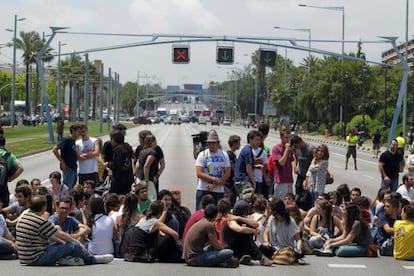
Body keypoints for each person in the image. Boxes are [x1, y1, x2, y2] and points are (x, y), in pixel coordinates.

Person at [16, 195, 113, 266]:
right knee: (73, 246)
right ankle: (91, 259)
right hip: (37, 258)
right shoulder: (41, 221)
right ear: (43, 207)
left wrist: (66, 241)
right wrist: (78, 243)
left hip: (25, 258)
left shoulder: (24, 218)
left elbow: (54, 236)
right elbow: (59, 234)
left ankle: (68, 259)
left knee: (66, 244)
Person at [220, 200, 273, 266]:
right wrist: (253, 231)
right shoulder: (230, 220)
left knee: (246, 233)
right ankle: (261, 258)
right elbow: (240, 229)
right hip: (228, 249)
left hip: (237, 247)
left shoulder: (238, 219)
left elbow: (256, 224)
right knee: (246, 235)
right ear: (244, 213)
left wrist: (240, 218)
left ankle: (243, 256)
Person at [195, 130, 230, 209]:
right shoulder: (202, 154)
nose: (211, 145)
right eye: (209, 143)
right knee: (201, 213)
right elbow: (199, 173)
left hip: (218, 190)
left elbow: (227, 172)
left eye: (213, 143)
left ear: (218, 143)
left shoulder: (224, 155)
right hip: (204, 189)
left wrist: (217, 183)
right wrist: (214, 179)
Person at [52, 124, 81, 190]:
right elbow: (55, 150)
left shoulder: (73, 141)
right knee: (67, 189)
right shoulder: (66, 139)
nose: (79, 134)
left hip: (73, 168)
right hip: (68, 168)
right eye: (78, 131)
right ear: (73, 131)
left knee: (72, 189)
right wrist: (62, 162)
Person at [233, 130, 261, 197]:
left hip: (239, 179)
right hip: (243, 180)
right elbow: (249, 169)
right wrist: (254, 182)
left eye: (259, 140)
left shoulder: (245, 149)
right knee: (248, 201)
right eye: (256, 139)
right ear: (250, 139)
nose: (258, 142)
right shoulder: (248, 150)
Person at [107, 130, 134, 195]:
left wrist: (108, 164)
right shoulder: (126, 147)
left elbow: (118, 165)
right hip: (128, 177)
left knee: (115, 198)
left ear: (114, 139)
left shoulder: (118, 150)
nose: (110, 141)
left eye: (111, 139)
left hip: (120, 180)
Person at [0, 136, 24, 207]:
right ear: (4, 144)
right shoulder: (9, 156)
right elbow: (21, 168)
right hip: (2, 187)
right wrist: (10, 179)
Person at [271, 130, 294, 199]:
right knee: (281, 201)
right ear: (281, 137)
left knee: (289, 202)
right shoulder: (276, 148)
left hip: (289, 179)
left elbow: (292, 160)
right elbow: (281, 162)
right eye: (286, 138)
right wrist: (286, 150)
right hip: (281, 180)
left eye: (289, 138)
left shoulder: (290, 149)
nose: (288, 140)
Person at [135, 135, 159, 200]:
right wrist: (147, 180)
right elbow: (146, 166)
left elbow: (137, 165)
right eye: (155, 141)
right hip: (146, 180)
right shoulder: (152, 152)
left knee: (141, 200)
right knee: (152, 199)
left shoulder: (142, 151)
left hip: (139, 178)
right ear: (152, 142)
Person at [225, 135, 241, 207]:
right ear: (234, 144)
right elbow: (232, 168)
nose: (240, 145)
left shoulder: (233, 155)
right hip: (229, 183)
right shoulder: (229, 154)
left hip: (232, 183)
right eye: (238, 143)